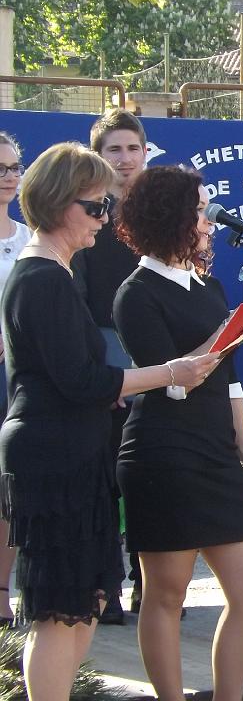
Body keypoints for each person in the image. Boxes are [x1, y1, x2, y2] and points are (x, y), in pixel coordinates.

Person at [0, 143, 216, 701]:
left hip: (74, 446)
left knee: (86, 599)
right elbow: (81, 380)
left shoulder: (54, 272)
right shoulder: (42, 278)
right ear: (57, 204)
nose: (104, 218)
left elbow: (76, 378)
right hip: (54, 454)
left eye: (106, 206)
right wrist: (168, 372)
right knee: (60, 606)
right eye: (95, 207)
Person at [113, 166, 243, 701]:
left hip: (216, 451)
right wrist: (225, 334)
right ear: (170, 218)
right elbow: (172, 382)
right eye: (199, 210)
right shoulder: (136, 294)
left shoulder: (210, 285)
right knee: (166, 593)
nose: (209, 222)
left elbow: (229, 382)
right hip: (164, 452)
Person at [71, 109, 150, 624]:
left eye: (132, 148)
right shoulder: (85, 218)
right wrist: (106, 373)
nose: (124, 159)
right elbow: (77, 302)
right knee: (101, 484)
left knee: (147, 483)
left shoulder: (162, 211)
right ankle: (105, 589)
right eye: (113, 150)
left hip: (157, 365)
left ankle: (151, 585)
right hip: (103, 368)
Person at [0, 132, 30, 626]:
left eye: (13, 168)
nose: (7, 177)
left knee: (7, 490)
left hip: (15, 382)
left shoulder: (29, 238)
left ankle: (3, 590)